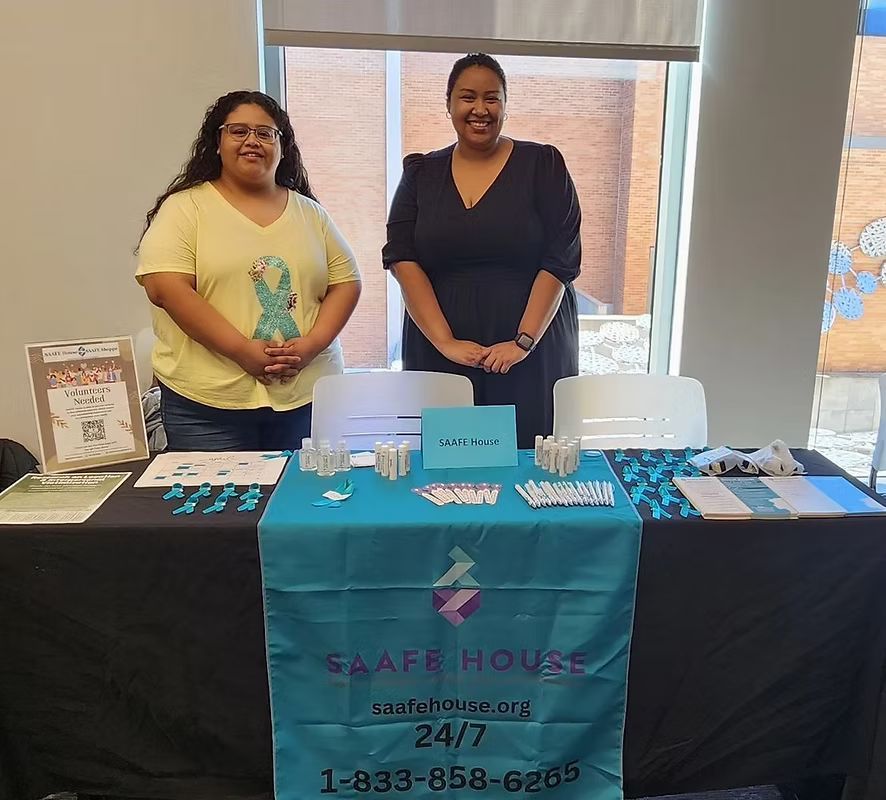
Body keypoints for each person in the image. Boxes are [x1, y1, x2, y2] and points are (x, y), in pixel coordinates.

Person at [136, 90, 361, 451]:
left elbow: (346, 283)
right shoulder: (185, 209)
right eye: (238, 131)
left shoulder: (311, 214)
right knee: (217, 507)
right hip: (207, 407)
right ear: (217, 143)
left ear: (282, 147)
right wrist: (242, 351)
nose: (252, 141)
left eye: (265, 133)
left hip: (306, 398)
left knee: (302, 505)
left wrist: (309, 347)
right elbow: (165, 287)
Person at [383, 53, 581, 449]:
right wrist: (444, 342)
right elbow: (402, 257)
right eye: (467, 97)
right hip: (440, 344)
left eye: (492, 98)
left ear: (506, 104)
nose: (479, 109)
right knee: (445, 467)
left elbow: (561, 258)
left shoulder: (543, 164)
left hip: (531, 347)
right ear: (449, 104)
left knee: (530, 462)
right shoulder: (420, 173)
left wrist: (522, 342)